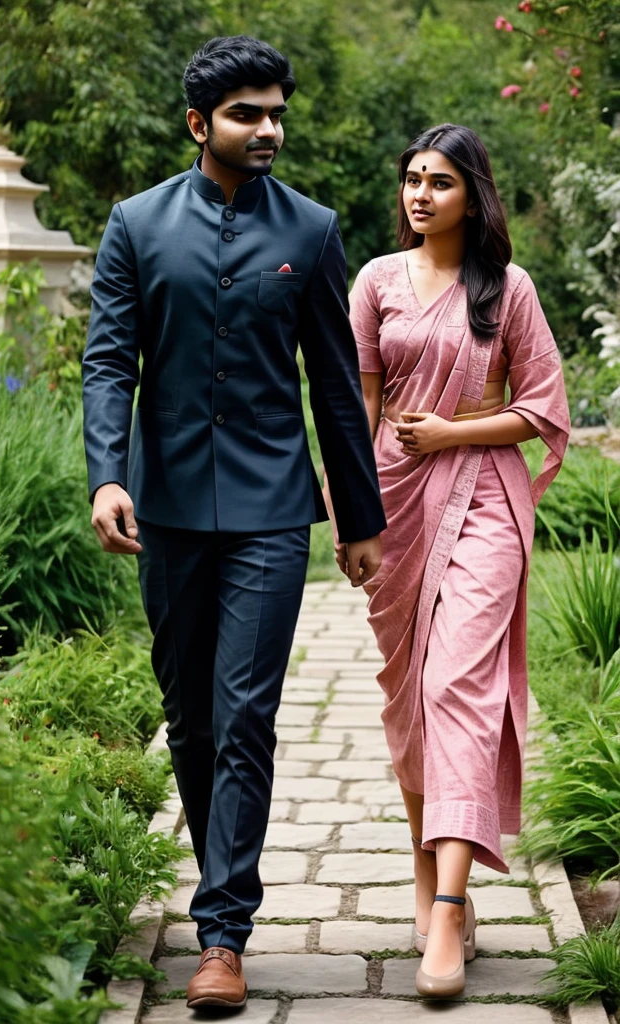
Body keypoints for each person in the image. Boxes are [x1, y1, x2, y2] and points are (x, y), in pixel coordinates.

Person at [82, 35, 385, 1010]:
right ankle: (216, 895)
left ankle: (222, 932)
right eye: (247, 113)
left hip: (268, 505)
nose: (268, 129)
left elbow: (335, 384)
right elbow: (107, 362)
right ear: (197, 124)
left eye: (275, 113)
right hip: (165, 502)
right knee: (191, 716)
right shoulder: (135, 226)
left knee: (245, 711)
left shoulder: (310, 229)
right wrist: (106, 476)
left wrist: (356, 516)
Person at [342, 123, 570, 998]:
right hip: (395, 507)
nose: (420, 194)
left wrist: (452, 432)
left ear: (473, 193)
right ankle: (426, 873)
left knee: (456, 692)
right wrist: (351, 514)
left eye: (439, 181)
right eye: (411, 179)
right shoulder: (373, 283)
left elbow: (543, 407)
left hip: (482, 500)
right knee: (409, 705)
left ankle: (448, 907)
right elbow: (358, 405)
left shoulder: (508, 289)